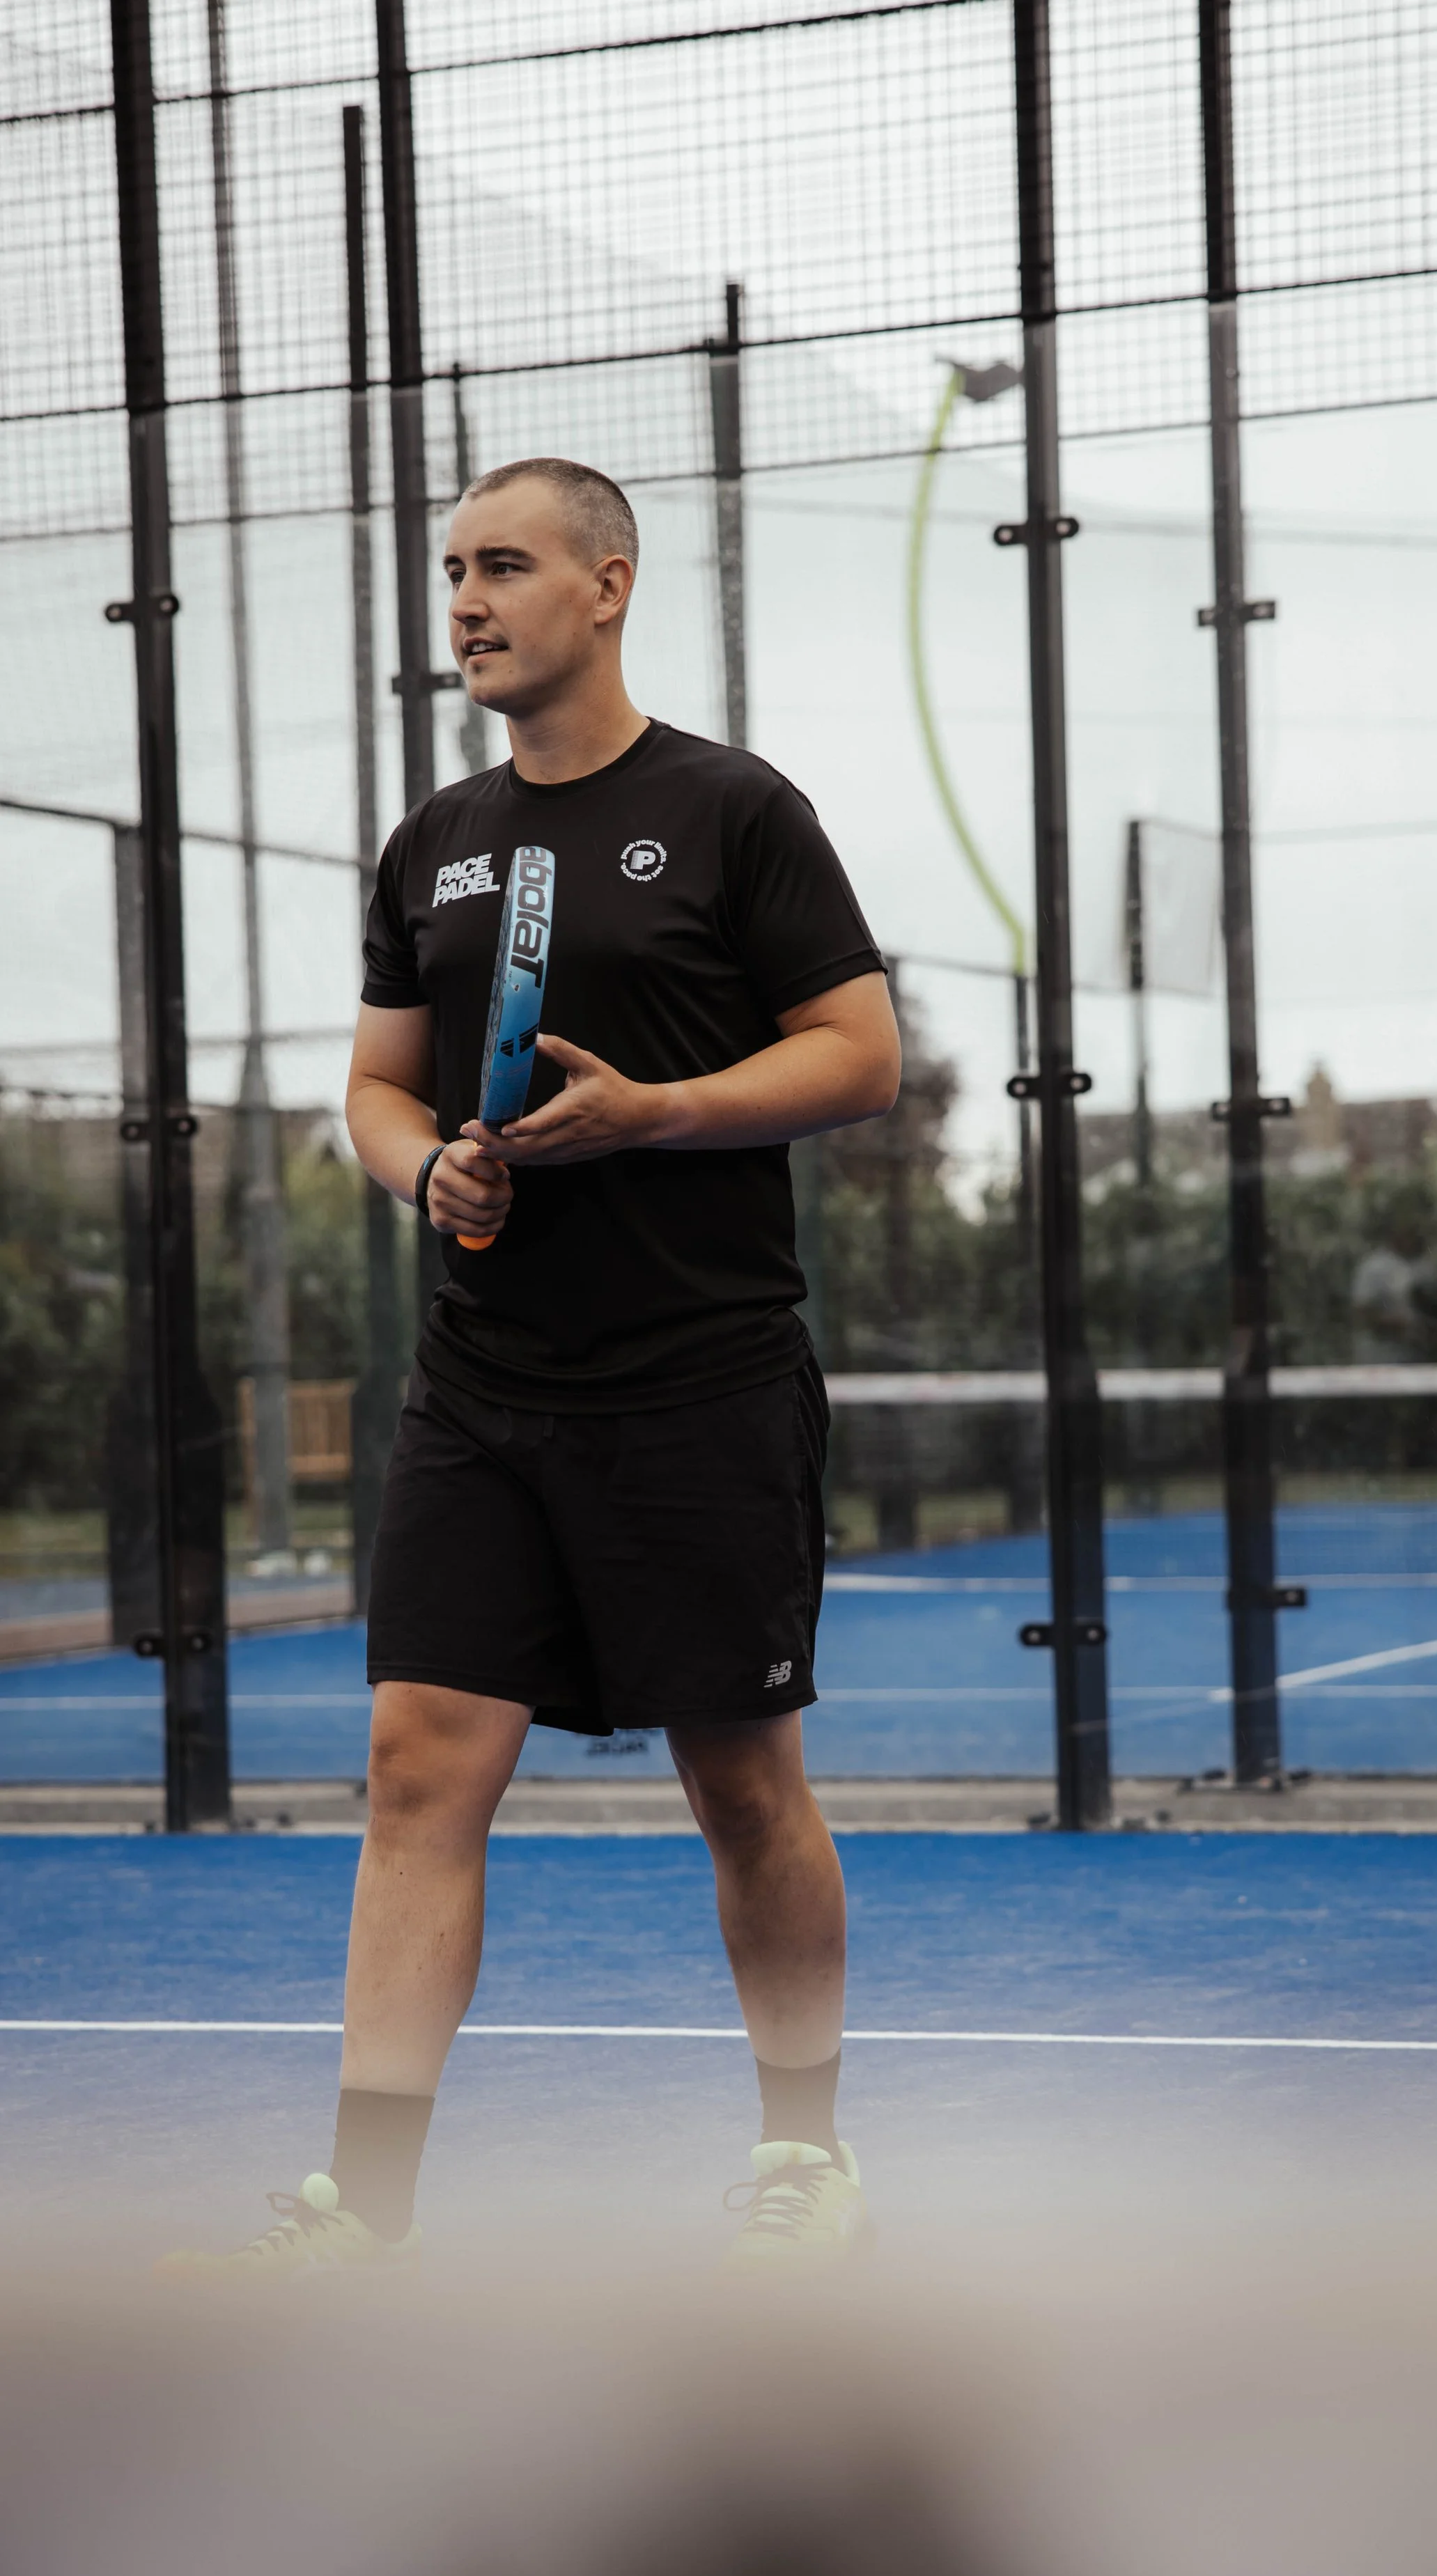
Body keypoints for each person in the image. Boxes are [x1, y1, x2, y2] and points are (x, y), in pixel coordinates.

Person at [162, 457, 899, 2278]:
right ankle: (363, 2213)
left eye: (504, 566)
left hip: (702, 1373)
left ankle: (804, 2158)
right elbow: (375, 1088)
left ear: (609, 585)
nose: (469, 601)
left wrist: (658, 1114)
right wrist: (433, 1166)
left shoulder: (737, 811)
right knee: (418, 1764)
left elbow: (858, 1055)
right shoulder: (433, 840)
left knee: (742, 1783)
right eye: (451, 572)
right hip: (482, 1386)